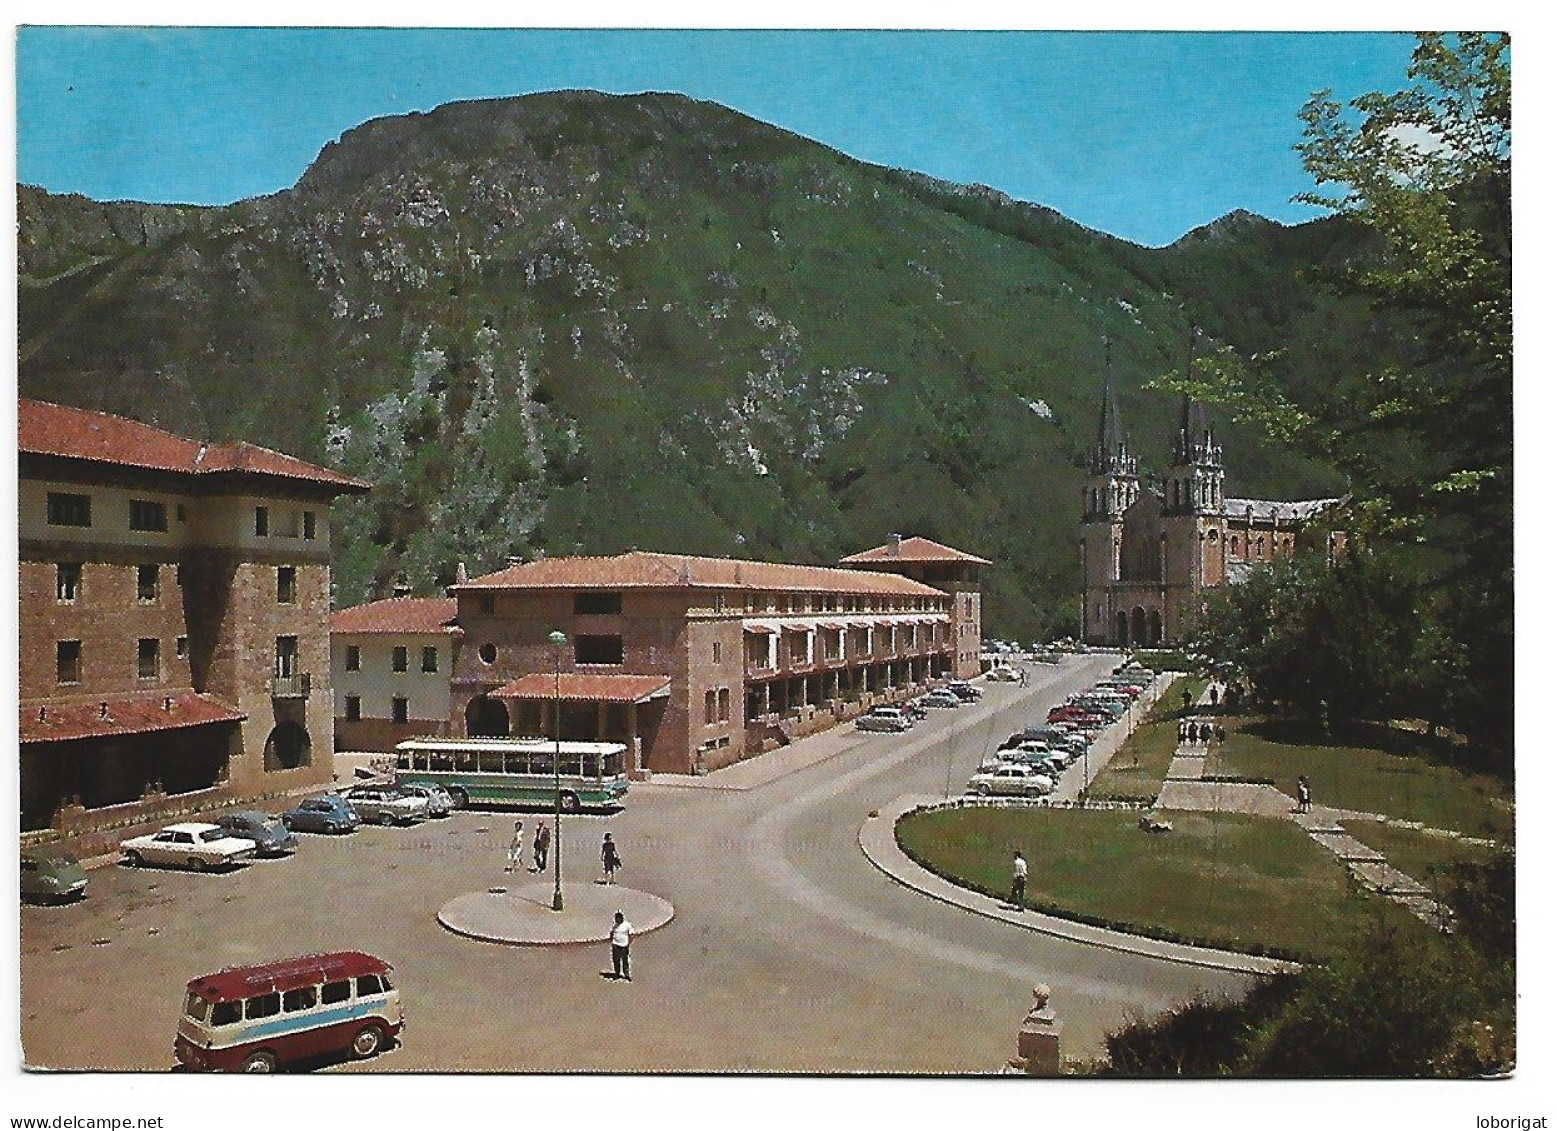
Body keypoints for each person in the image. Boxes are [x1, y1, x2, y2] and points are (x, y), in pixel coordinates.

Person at [610, 911, 633, 981]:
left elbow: (631, 934)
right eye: (615, 919)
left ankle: (626, 974)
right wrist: (612, 942)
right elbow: (611, 933)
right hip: (615, 945)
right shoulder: (615, 926)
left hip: (624, 946)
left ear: (621, 918)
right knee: (616, 960)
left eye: (617, 918)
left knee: (625, 960)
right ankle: (617, 973)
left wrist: (629, 943)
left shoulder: (627, 925)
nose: (616, 920)